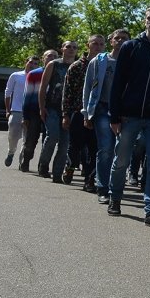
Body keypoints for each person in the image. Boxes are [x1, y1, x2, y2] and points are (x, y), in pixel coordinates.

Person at [107, 8, 150, 226]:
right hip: (129, 115)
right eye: (149, 18)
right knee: (122, 160)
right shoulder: (130, 47)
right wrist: (114, 115)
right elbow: (118, 84)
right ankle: (115, 198)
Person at [83, 29, 130, 205]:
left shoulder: (131, 61)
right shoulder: (99, 61)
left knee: (122, 150)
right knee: (106, 149)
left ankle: (115, 186)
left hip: (124, 111)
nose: (120, 41)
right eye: (117, 38)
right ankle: (103, 188)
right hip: (102, 109)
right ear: (111, 41)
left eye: (124, 38)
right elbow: (88, 87)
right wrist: (86, 112)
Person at [64, 35, 104, 190]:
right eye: (95, 43)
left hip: (96, 113)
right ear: (88, 45)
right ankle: (70, 167)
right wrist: (65, 114)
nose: (98, 47)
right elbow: (67, 92)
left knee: (93, 148)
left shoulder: (104, 66)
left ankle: (90, 180)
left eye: (101, 44)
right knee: (75, 146)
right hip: (77, 112)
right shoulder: (76, 66)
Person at [37, 40, 78, 183]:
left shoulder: (77, 66)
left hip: (69, 110)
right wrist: (41, 107)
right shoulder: (53, 64)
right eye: (68, 46)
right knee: (53, 136)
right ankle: (43, 164)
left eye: (74, 47)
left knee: (65, 143)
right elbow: (43, 88)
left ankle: (57, 174)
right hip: (52, 107)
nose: (71, 49)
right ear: (62, 48)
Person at [19, 49, 57, 173]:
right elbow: (27, 95)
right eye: (49, 56)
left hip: (52, 110)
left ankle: (43, 166)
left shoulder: (59, 73)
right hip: (34, 111)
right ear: (43, 58)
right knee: (31, 139)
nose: (51, 58)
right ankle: (26, 160)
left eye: (55, 56)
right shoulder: (34, 73)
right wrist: (25, 116)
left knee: (49, 139)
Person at [4, 56, 38, 167]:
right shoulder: (16, 75)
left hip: (30, 112)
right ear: (26, 62)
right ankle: (11, 152)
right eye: (31, 62)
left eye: (36, 64)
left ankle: (22, 161)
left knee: (27, 138)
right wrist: (8, 110)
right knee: (13, 135)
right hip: (16, 110)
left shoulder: (38, 77)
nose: (33, 65)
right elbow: (8, 92)